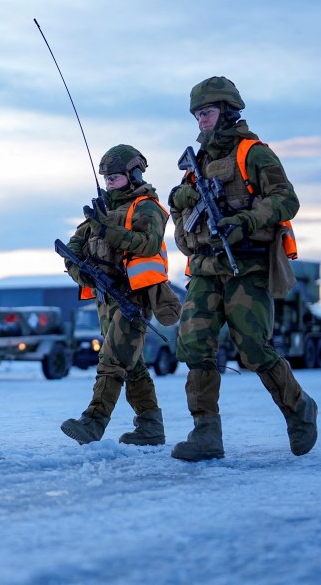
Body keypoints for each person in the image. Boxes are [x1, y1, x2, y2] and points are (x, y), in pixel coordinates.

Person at [168, 76, 318, 461]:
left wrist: (247, 220)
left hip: (247, 266)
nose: (202, 120)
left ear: (228, 110)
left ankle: (299, 410)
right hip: (204, 268)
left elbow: (287, 199)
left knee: (253, 347)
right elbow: (182, 211)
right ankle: (206, 434)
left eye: (208, 112)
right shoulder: (197, 163)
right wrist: (182, 199)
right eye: (198, 114)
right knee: (193, 345)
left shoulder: (254, 153)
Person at [61, 144, 182, 445]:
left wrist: (107, 231)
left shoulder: (147, 207)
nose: (109, 183)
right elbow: (75, 246)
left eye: (115, 177)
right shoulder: (102, 210)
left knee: (113, 359)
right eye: (107, 179)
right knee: (133, 363)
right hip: (105, 297)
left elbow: (148, 243)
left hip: (135, 297)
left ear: (134, 173)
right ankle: (151, 426)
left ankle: (93, 422)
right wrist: (81, 272)